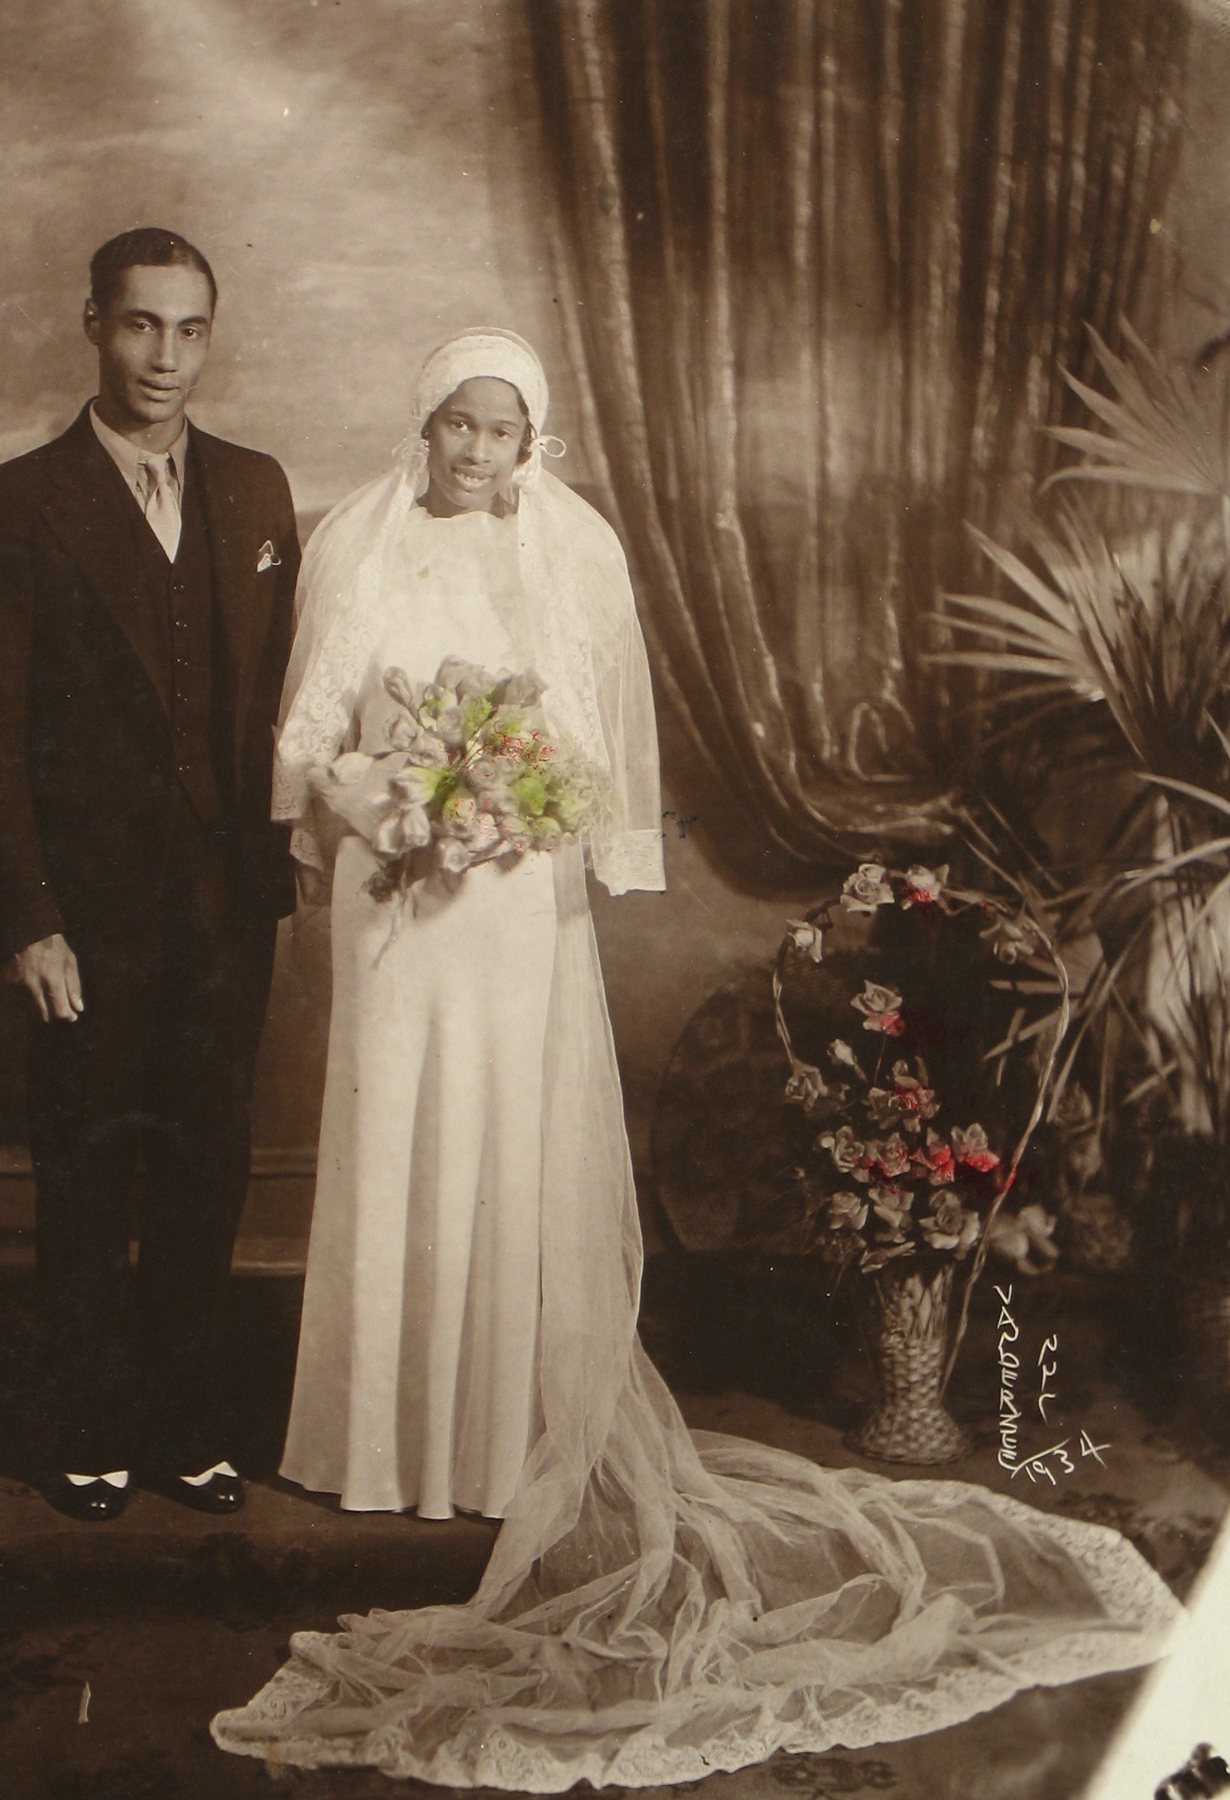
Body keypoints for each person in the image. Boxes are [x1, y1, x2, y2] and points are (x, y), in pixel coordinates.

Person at [213, 330, 1180, 1790]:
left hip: (512, 891)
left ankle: (498, 1445)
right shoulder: (359, 537)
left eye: (501, 430)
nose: (475, 451)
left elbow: (593, 746)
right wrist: (379, 798)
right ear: (425, 422)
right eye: (457, 424)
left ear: (530, 440)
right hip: (396, 887)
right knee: (396, 1130)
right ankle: (375, 1443)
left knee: (503, 1145)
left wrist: (510, 805)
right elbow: (308, 726)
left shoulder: (572, 551)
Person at [0, 227, 300, 1521]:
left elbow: (288, 702)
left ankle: (188, 1428)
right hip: (85, 915)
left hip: (226, 906)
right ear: (93, 323)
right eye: (141, 324)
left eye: (189, 328)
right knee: (90, 1167)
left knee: (208, 1167)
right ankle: (90, 1425)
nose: (165, 356)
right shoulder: (18, 500)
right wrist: (29, 921)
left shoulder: (256, 490)